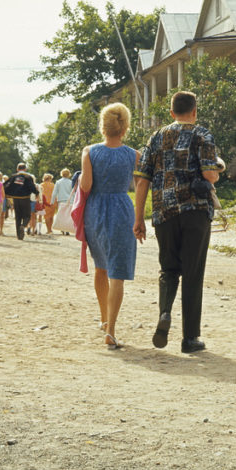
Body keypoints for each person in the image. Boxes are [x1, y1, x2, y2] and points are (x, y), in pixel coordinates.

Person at [133, 90, 220, 354]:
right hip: (195, 211)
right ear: (194, 111)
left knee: (168, 269)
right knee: (193, 273)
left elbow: (142, 180)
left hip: (164, 212)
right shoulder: (202, 135)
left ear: (171, 112)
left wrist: (139, 218)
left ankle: (165, 312)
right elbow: (209, 174)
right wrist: (217, 170)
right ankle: (190, 338)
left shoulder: (156, 137)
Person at [80, 103, 138, 350]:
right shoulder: (134, 155)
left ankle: (104, 320)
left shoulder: (90, 152)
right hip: (122, 209)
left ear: (103, 127)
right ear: (125, 128)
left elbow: (86, 186)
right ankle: (111, 330)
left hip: (95, 210)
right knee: (118, 272)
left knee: (101, 266)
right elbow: (140, 186)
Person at [4, 163, 39, 241]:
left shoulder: (13, 177)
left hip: (16, 199)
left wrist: (7, 194)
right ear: (25, 169)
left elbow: (6, 186)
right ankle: (23, 225)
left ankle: (19, 236)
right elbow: (32, 187)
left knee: (18, 217)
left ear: (17, 169)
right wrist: (37, 193)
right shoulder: (28, 177)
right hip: (25, 199)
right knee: (27, 216)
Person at [51, 168, 74, 233]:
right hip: (70, 200)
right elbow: (74, 192)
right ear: (69, 174)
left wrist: (52, 201)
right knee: (68, 215)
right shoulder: (71, 182)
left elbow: (54, 192)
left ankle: (62, 229)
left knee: (61, 215)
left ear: (61, 174)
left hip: (61, 200)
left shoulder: (58, 182)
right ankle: (67, 229)